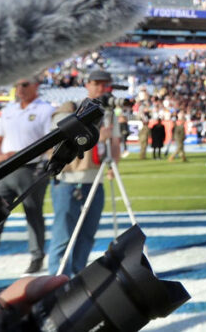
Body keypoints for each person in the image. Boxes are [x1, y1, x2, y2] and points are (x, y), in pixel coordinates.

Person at [49, 70, 121, 276]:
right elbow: (61, 141)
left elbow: (115, 144)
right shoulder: (70, 109)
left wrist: (113, 165)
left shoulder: (109, 114)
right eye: (96, 83)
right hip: (69, 180)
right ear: (87, 85)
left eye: (105, 84)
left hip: (95, 180)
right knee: (63, 236)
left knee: (87, 235)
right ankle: (56, 280)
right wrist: (98, 137)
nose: (101, 88)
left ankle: (77, 277)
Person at [0, 76, 55, 275]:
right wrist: (0, 156)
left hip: (31, 169)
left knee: (33, 213)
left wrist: (46, 166)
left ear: (36, 86)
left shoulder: (46, 110)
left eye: (24, 84)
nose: (19, 88)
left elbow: (51, 143)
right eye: (16, 84)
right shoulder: (7, 111)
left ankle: (37, 256)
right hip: (5, 168)